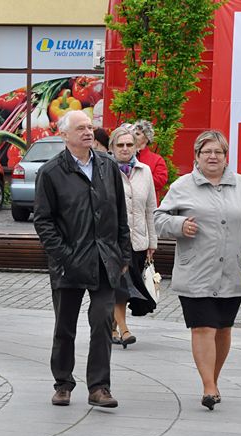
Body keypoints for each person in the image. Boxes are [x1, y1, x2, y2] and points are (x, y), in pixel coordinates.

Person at [154, 130, 241, 411]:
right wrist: (179, 226)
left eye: (218, 152)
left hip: (231, 270)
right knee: (203, 327)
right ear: (197, 156)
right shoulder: (183, 186)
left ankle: (214, 379)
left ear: (225, 157)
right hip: (196, 270)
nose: (212, 157)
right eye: (206, 152)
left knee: (223, 328)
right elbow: (159, 218)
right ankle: (208, 386)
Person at [34, 109, 131, 409]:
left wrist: (123, 253)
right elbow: (43, 221)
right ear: (64, 134)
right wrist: (63, 255)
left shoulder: (107, 166)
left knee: (103, 322)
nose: (88, 132)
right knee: (65, 326)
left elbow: (119, 213)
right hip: (68, 262)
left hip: (104, 260)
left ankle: (99, 387)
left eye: (90, 127)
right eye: (80, 128)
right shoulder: (51, 172)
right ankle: (63, 383)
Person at [109, 125, 157, 347]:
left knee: (125, 289)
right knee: (121, 285)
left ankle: (112, 328)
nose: (125, 148)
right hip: (113, 242)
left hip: (138, 240)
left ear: (136, 147)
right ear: (112, 148)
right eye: (120, 145)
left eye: (129, 144)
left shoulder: (145, 171)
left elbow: (150, 208)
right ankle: (125, 330)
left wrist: (152, 241)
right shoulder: (106, 170)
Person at [131, 120, 168, 205]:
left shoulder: (157, 160)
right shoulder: (126, 156)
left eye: (137, 134)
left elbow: (160, 182)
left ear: (147, 138)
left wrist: (136, 179)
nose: (133, 136)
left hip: (147, 206)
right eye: (132, 133)